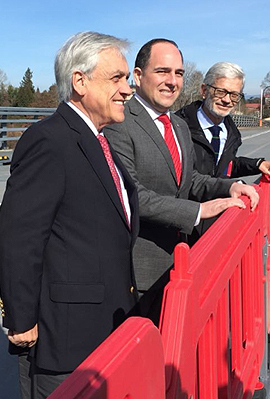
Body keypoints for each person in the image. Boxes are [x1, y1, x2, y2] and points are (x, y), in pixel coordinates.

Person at [0, 31, 138, 398]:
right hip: (66, 337)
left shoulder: (99, 140)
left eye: (128, 79)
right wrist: (21, 318)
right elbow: (18, 235)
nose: (128, 89)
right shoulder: (50, 140)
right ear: (79, 81)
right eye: (117, 78)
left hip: (105, 324)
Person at [104, 39, 259, 325]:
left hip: (180, 263)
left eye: (178, 73)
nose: (172, 81)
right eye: (163, 71)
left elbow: (190, 180)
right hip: (138, 272)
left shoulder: (176, 124)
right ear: (137, 76)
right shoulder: (119, 122)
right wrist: (198, 212)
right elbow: (131, 194)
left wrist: (229, 187)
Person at [174, 61, 270, 244]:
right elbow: (187, 178)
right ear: (204, 90)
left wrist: (257, 164)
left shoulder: (231, 132)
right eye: (220, 91)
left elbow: (224, 166)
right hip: (185, 223)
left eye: (234, 95)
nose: (226, 100)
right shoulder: (178, 126)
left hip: (217, 222)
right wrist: (229, 186)